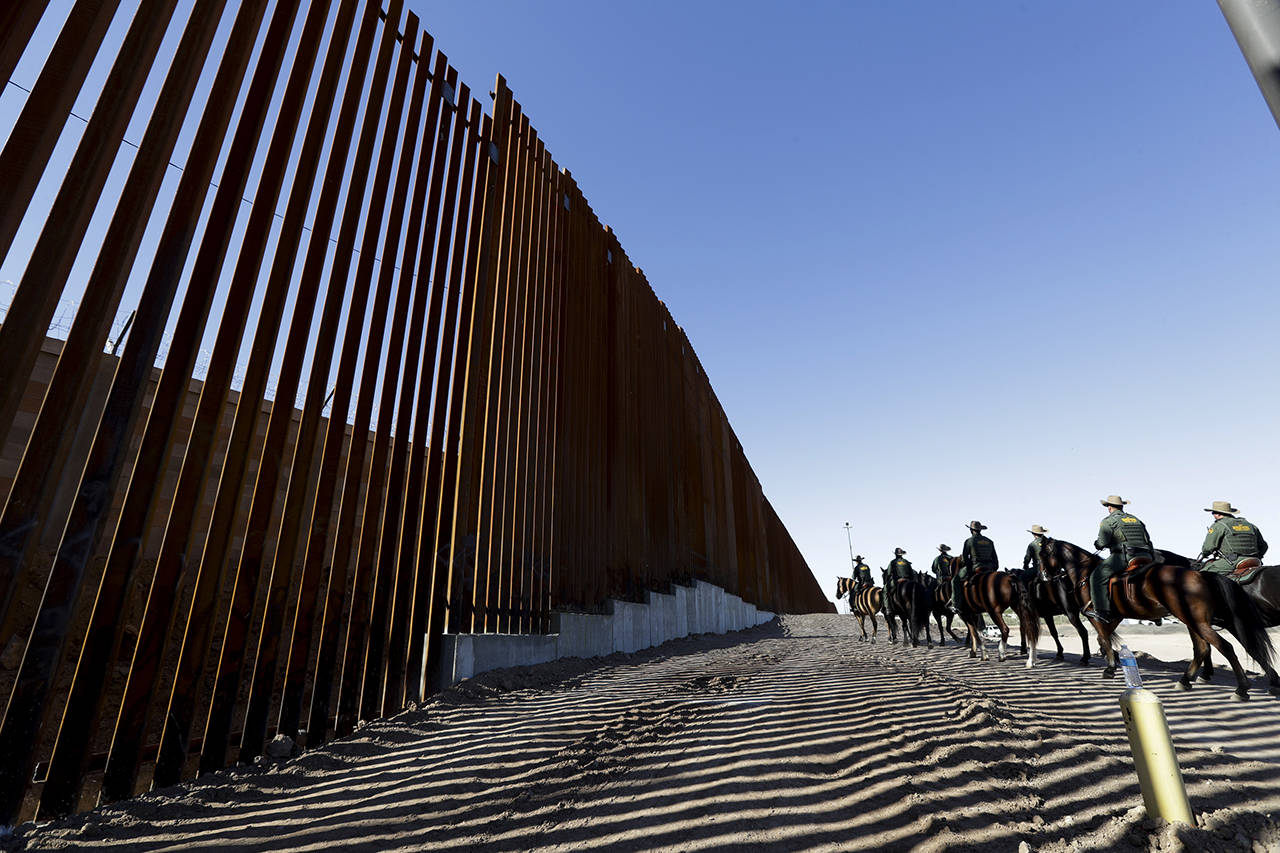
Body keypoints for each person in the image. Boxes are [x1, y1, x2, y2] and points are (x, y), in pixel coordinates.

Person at [1085, 495, 1155, 622]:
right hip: (1147, 556)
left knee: (1096, 577)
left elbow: (1103, 542)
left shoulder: (1108, 521)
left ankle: (1102, 611)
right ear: (1122, 506)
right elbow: (1148, 541)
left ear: (1109, 507)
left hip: (1125, 556)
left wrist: (1098, 544)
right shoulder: (1136, 519)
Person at [1198, 501, 1267, 576]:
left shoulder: (1219, 525)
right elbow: (1264, 546)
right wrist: (1258, 557)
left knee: (1202, 575)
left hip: (1232, 562)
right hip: (1254, 561)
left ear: (1218, 514)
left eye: (1213, 513)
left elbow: (1208, 548)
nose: (1213, 515)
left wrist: (1205, 554)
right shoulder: (1251, 525)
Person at [951, 521, 998, 610]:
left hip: (976, 566)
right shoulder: (989, 541)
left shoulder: (969, 541)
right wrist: (994, 567)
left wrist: (968, 567)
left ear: (971, 530)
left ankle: (956, 605)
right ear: (980, 530)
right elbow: (995, 557)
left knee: (955, 580)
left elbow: (965, 558)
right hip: (990, 567)